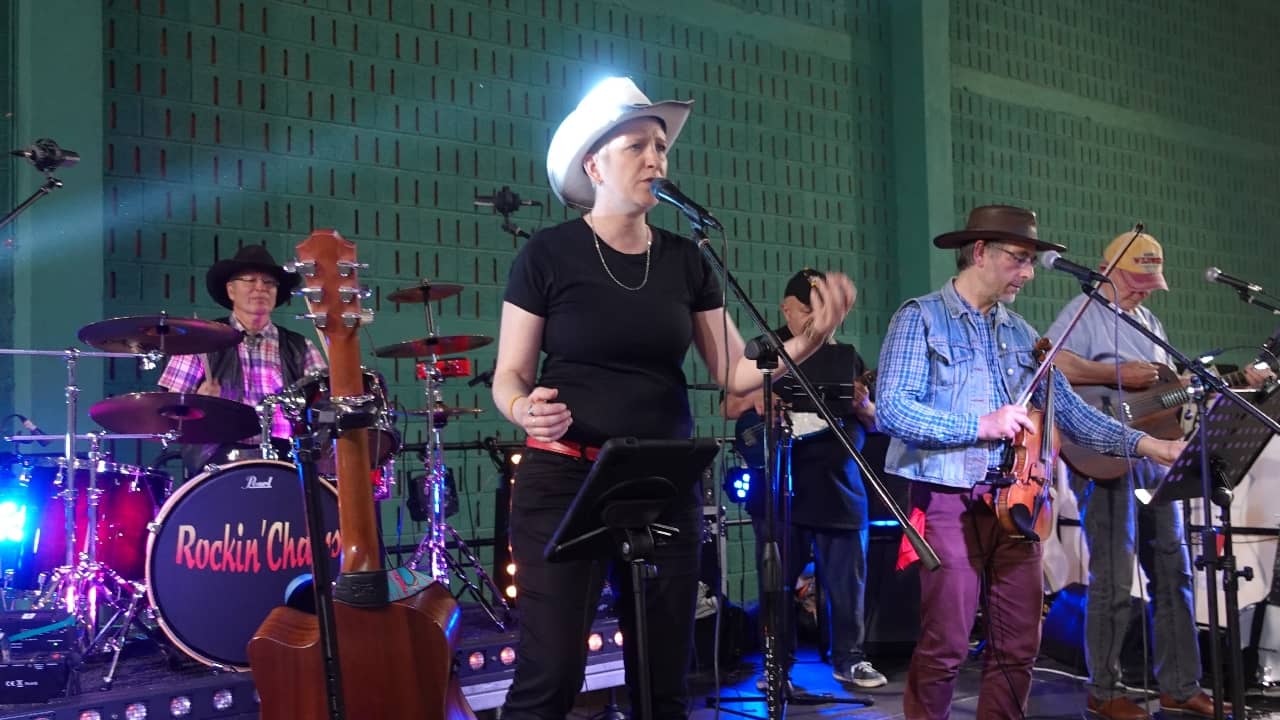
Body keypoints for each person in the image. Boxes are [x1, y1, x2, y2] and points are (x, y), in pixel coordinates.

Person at [490, 76, 854, 720]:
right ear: (594, 164)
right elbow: (509, 376)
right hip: (563, 477)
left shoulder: (688, 260)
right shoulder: (548, 254)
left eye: (661, 146)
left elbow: (737, 374)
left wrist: (810, 340)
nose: (656, 159)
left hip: (659, 480)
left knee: (664, 680)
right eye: (638, 146)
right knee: (553, 674)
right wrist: (524, 410)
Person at [874, 205, 1186, 719]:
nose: (1027, 273)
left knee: (1019, 645)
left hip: (1019, 504)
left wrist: (1154, 447)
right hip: (948, 497)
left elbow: (1076, 419)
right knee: (946, 644)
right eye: (1019, 260)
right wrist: (979, 425)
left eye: (1030, 261)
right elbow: (893, 408)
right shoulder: (919, 318)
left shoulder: (1021, 334)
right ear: (979, 253)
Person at [1046, 231, 1264, 719]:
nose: (1144, 290)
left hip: (1152, 456)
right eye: (1136, 280)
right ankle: (1105, 690)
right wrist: (1112, 375)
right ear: (1109, 271)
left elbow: (1163, 396)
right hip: (1100, 454)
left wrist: (1208, 387)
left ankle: (1180, 684)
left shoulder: (1148, 321)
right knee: (1115, 577)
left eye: (1150, 282)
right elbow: (1052, 364)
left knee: (1174, 568)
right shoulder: (1081, 314)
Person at [724, 268, 885, 689]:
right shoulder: (768, 349)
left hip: (839, 487)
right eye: (805, 312)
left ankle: (851, 659)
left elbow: (875, 419)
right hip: (782, 488)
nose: (814, 322)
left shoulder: (845, 355)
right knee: (776, 582)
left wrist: (864, 405)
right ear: (786, 309)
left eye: (822, 312)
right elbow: (730, 402)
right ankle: (778, 667)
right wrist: (760, 396)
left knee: (848, 583)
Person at [158, 244, 327, 475]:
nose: (260, 288)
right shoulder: (201, 342)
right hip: (218, 461)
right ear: (230, 290)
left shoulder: (300, 347)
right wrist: (196, 404)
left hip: (285, 462)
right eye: (250, 280)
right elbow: (168, 414)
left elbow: (324, 409)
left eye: (269, 283)